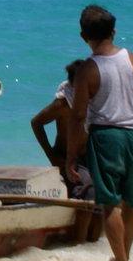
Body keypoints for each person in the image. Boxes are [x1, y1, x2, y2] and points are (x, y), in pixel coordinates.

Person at [65, 4, 133, 261]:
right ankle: (123, 260)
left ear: (84, 36)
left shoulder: (88, 70)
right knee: (132, 201)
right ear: (114, 32)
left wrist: (72, 155)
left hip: (107, 136)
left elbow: (77, 116)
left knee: (110, 202)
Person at [30, 58, 94, 200]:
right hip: (66, 159)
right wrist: (51, 155)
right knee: (87, 193)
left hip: (88, 156)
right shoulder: (63, 103)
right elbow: (36, 123)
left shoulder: (93, 98)